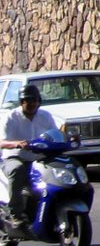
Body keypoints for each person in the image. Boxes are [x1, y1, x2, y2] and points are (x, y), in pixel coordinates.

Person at [1, 85, 57, 230]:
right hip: (15, 157)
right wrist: (16, 144)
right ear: (21, 102)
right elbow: (2, 142)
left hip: (39, 159)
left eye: (34, 100)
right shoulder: (11, 117)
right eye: (27, 100)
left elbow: (55, 135)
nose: (31, 104)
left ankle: (51, 213)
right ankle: (16, 215)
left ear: (39, 101)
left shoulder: (46, 116)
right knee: (17, 170)